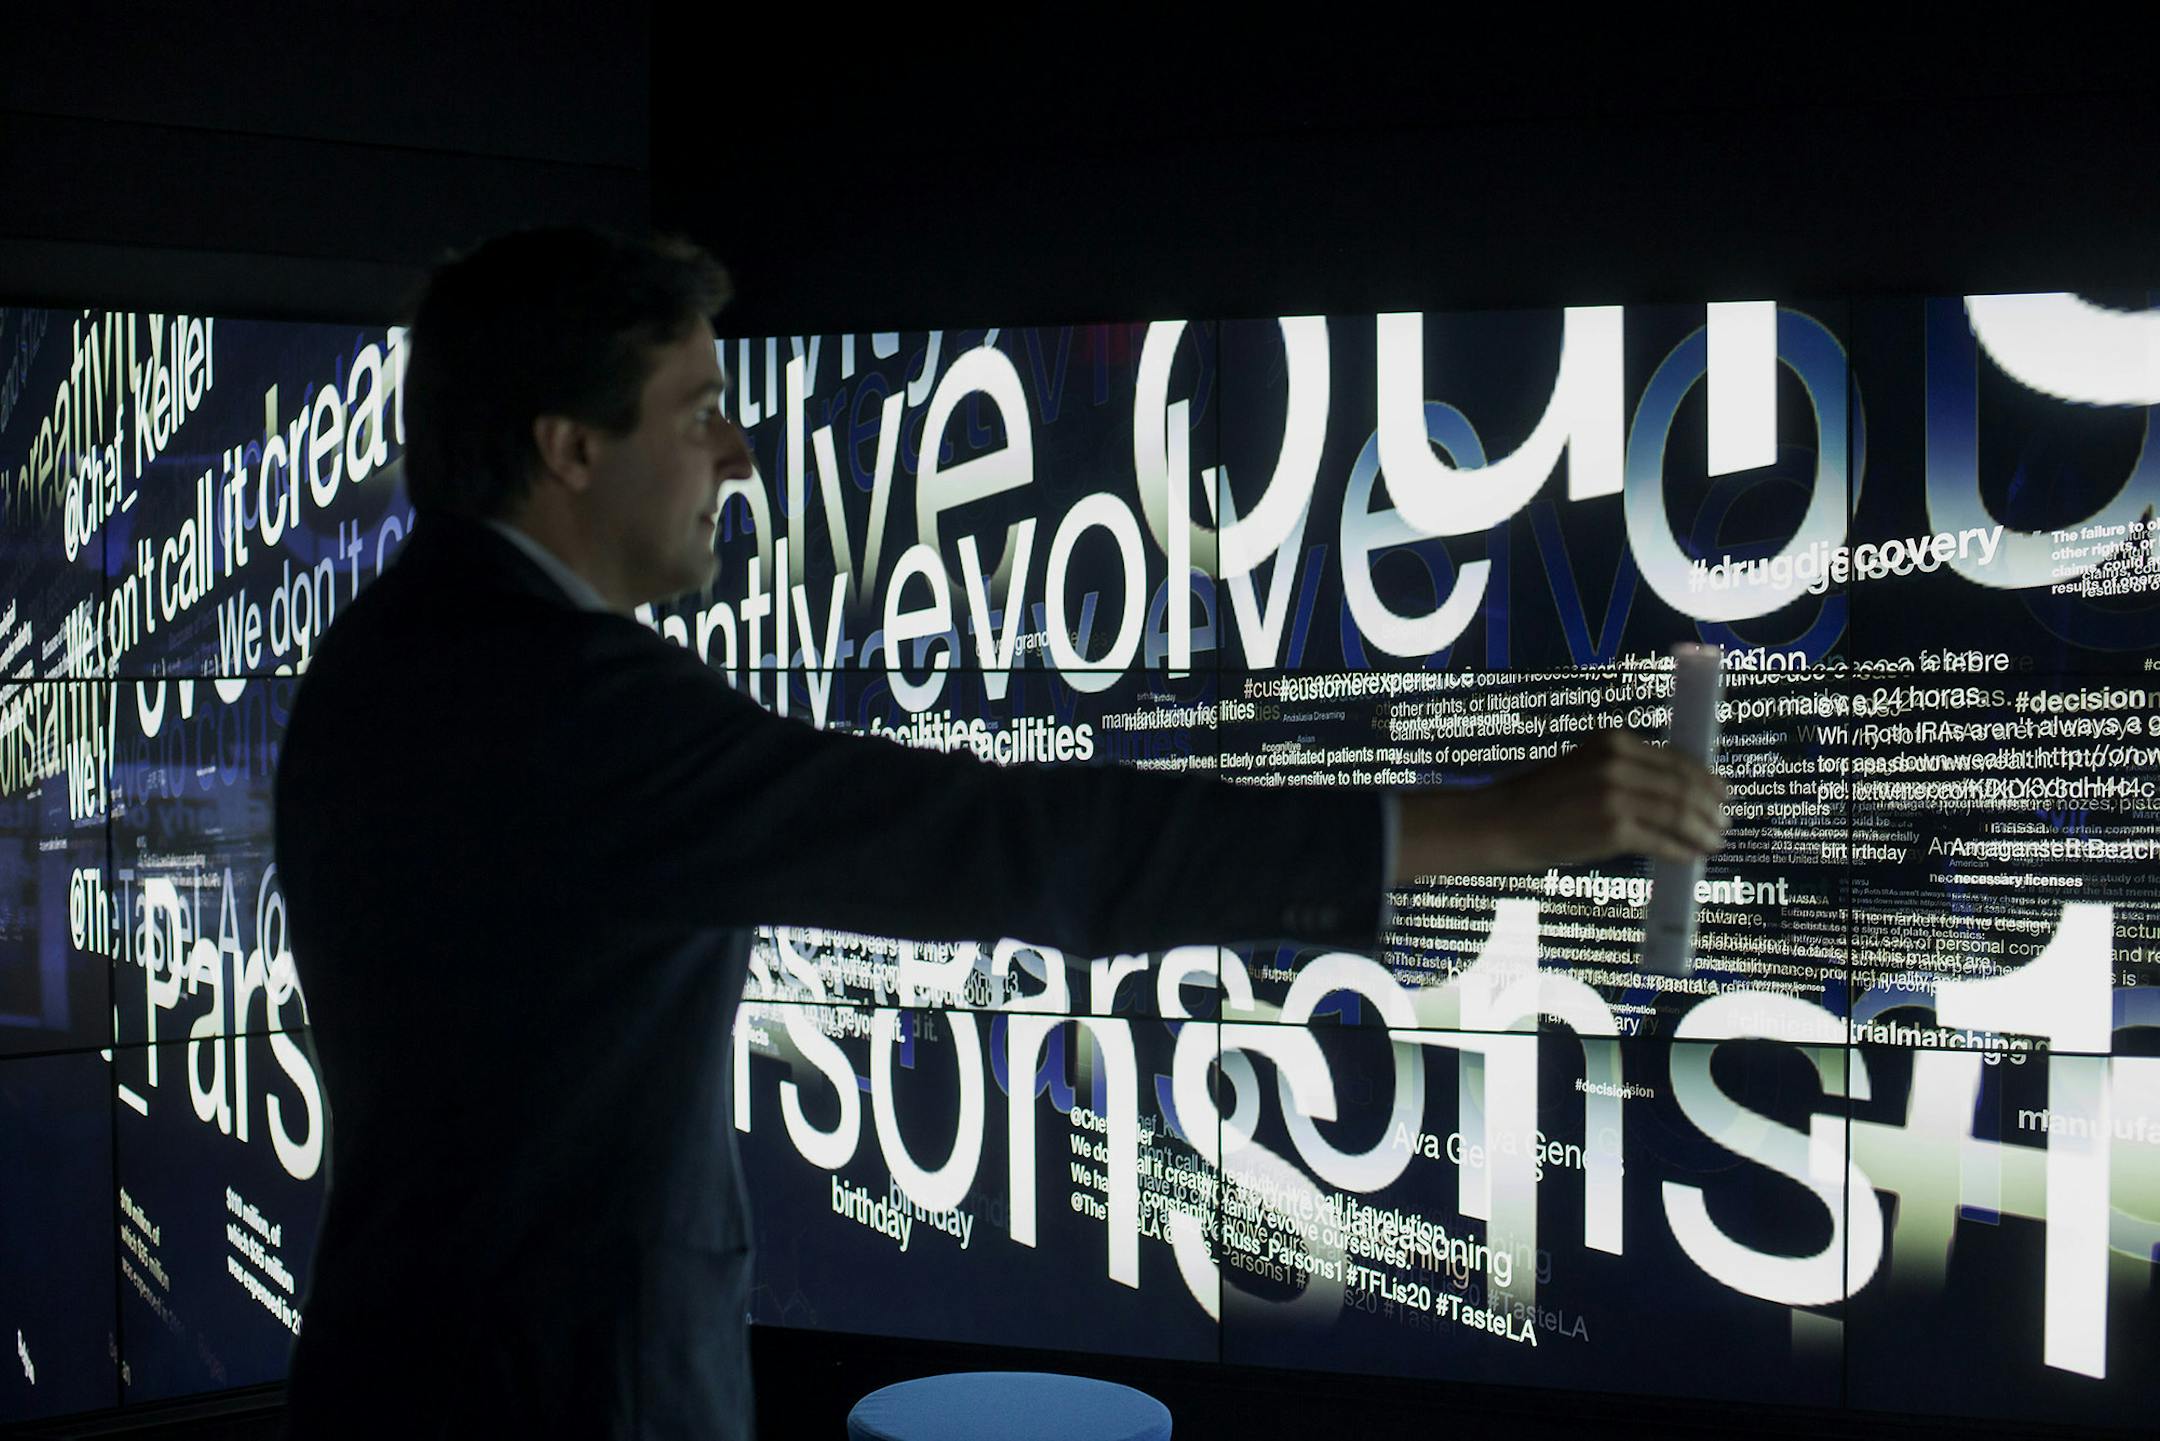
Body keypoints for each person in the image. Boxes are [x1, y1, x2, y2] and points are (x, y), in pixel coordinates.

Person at [272, 227, 1724, 1439]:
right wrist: (1478, 823)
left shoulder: (388, 655)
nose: (741, 448)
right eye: (696, 407)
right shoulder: (569, 706)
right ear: (569, 447)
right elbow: (1006, 839)